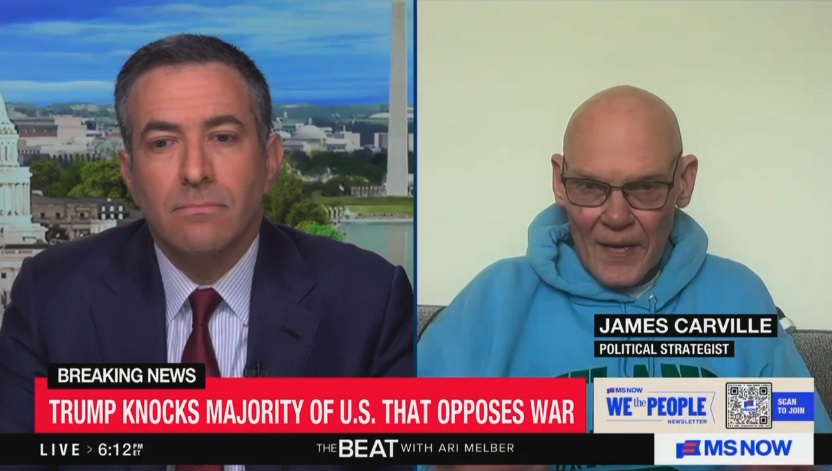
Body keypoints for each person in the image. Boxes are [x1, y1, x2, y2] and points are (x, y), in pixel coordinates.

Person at [0, 34, 414, 471]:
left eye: (223, 137)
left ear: (271, 161)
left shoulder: (369, 305)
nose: (195, 171)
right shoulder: (52, 300)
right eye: (163, 142)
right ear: (129, 173)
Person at [417, 85, 831, 471]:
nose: (616, 217)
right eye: (589, 186)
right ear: (559, 182)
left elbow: (802, 445)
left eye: (645, 188)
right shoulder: (496, 301)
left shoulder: (737, 299)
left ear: (683, 183)